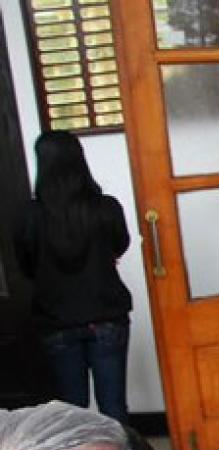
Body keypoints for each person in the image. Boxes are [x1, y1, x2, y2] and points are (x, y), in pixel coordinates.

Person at [15, 131, 133, 424]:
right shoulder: (106, 207)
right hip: (106, 315)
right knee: (114, 407)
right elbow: (120, 245)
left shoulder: (30, 215)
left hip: (56, 320)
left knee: (70, 413)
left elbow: (26, 267)